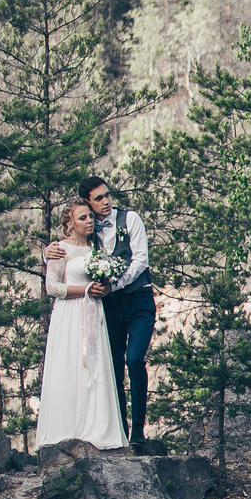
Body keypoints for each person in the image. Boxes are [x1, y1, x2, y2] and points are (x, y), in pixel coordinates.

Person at [45, 173, 156, 446]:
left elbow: (140, 260)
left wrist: (113, 285)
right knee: (113, 368)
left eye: (107, 195)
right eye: (98, 198)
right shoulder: (87, 229)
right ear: (88, 203)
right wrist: (47, 252)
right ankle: (118, 427)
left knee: (134, 360)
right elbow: (72, 252)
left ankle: (139, 430)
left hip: (138, 300)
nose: (106, 201)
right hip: (109, 308)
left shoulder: (129, 219)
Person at [32, 199, 126, 450]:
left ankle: (96, 427)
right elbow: (52, 287)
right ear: (68, 223)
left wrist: (103, 289)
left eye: (90, 217)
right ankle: (66, 428)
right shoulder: (60, 249)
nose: (89, 222)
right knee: (70, 365)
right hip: (69, 315)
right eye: (82, 218)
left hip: (94, 313)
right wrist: (86, 289)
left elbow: (105, 285)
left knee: (94, 368)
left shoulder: (98, 251)